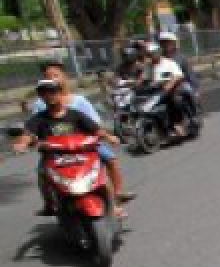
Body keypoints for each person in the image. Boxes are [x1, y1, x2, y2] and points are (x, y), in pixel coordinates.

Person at [12, 78, 130, 217]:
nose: (49, 95)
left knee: (101, 176)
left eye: (52, 91)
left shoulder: (75, 114)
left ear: (60, 93)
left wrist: (109, 137)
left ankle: (113, 206)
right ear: (41, 96)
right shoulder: (38, 119)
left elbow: (96, 130)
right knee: (42, 173)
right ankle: (49, 204)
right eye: (44, 92)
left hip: (84, 154)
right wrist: (22, 144)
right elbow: (28, 134)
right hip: (54, 158)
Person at [140, 42, 191, 137]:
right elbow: (143, 78)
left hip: (172, 89)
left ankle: (178, 123)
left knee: (174, 100)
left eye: (152, 53)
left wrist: (169, 84)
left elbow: (179, 75)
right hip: (156, 91)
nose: (151, 56)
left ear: (158, 52)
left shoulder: (169, 63)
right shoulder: (149, 66)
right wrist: (138, 83)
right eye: (149, 54)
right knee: (144, 103)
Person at [158, 32, 200, 119]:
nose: (166, 45)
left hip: (181, 84)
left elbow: (190, 74)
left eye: (168, 42)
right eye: (163, 43)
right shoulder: (159, 58)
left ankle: (194, 114)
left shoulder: (181, 57)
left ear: (173, 43)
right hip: (164, 86)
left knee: (188, 91)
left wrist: (195, 90)